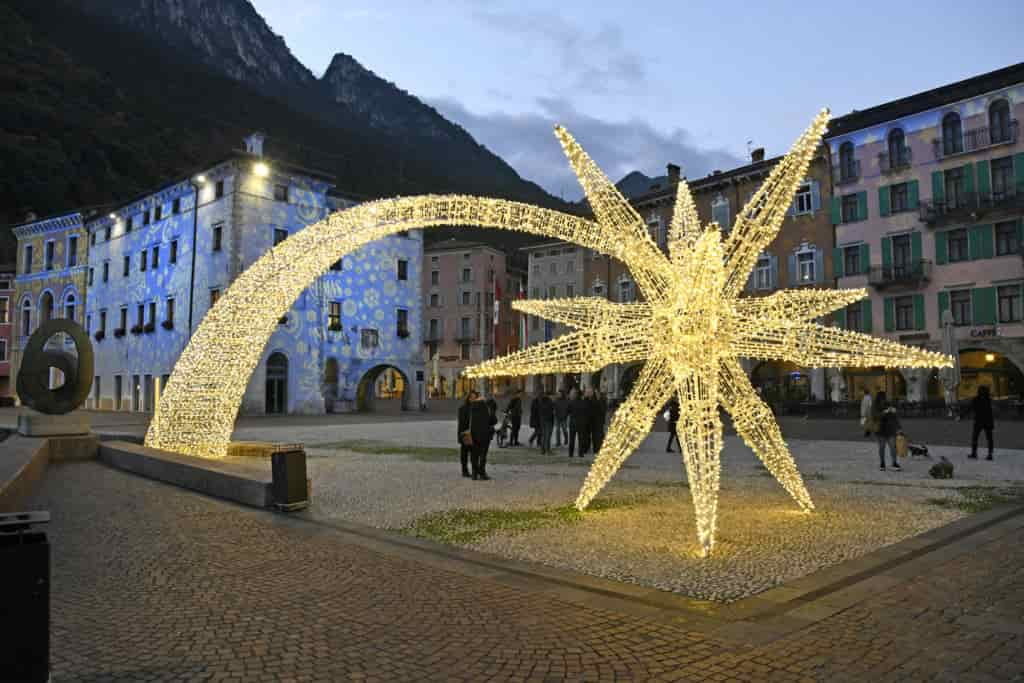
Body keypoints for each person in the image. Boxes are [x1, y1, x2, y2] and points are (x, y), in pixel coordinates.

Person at [461, 391, 497, 480]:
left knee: (474, 455)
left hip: (474, 435)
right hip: (485, 435)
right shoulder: (487, 407)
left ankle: (474, 474)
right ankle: (482, 473)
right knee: (483, 455)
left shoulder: (472, 407)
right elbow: (493, 420)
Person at [871, 390, 902, 472]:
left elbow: (895, 418)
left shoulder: (889, 405)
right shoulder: (875, 406)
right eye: (882, 398)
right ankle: (882, 463)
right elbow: (874, 416)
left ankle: (894, 463)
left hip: (890, 429)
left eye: (884, 398)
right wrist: (884, 412)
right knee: (882, 447)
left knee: (893, 447)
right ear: (879, 399)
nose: (884, 400)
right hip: (880, 429)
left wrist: (899, 428)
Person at [968, 385, 994, 460]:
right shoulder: (988, 399)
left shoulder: (977, 399)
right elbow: (990, 412)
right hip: (987, 421)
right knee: (989, 438)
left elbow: (969, 408)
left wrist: (961, 415)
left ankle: (974, 453)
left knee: (976, 437)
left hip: (979, 421)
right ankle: (989, 454)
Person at [456, 391, 477, 478]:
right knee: (464, 454)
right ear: (468, 398)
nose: (473, 399)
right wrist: (462, 434)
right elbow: (461, 423)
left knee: (474, 454)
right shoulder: (463, 408)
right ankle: (464, 470)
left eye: (475, 397)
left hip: (475, 434)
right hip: (465, 433)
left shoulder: (477, 408)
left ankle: (474, 470)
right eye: (471, 397)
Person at [568, 388, 590, 458]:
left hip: (573, 423)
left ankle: (570, 454)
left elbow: (568, 411)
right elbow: (587, 413)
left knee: (572, 439)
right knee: (581, 439)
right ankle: (581, 453)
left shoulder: (572, 402)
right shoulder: (584, 403)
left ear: (576, 395)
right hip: (581, 423)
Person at [586, 388, 605, 454]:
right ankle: (590, 448)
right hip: (590, 421)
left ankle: (597, 449)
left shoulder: (600, 400)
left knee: (597, 436)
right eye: (588, 392)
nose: (588, 393)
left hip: (598, 421)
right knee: (590, 436)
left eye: (590, 392)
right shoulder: (588, 400)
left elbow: (602, 410)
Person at [539, 390, 555, 454]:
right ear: (550, 396)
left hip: (542, 420)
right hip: (548, 420)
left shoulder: (541, 401)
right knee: (548, 435)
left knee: (543, 435)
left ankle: (542, 450)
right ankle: (548, 450)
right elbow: (551, 412)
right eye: (552, 396)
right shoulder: (550, 402)